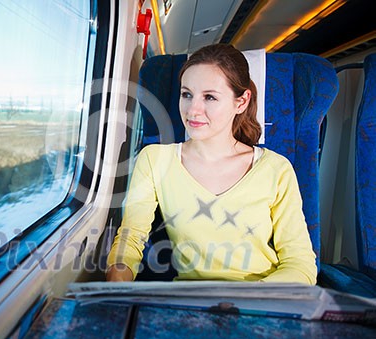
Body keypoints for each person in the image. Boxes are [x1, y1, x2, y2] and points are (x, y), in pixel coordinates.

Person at [106, 43, 317, 284]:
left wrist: (243, 301)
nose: (193, 110)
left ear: (241, 102)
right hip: (189, 303)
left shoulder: (275, 169)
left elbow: (300, 265)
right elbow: (130, 238)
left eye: (209, 97)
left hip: (260, 301)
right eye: (187, 94)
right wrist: (117, 280)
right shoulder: (155, 160)